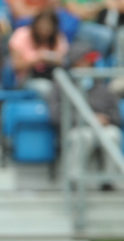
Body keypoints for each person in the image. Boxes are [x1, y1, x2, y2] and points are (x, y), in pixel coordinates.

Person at [48, 42, 122, 187]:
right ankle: (74, 180)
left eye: (90, 60)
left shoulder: (102, 85)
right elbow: (55, 115)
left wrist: (107, 119)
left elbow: (116, 115)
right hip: (75, 128)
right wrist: (88, 120)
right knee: (84, 136)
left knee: (113, 134)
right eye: (84, 59)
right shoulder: (61, 84)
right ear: (75, 62)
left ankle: (109, 181)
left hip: (103, 128)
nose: (89, 63)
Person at [9, 8, 69, 99]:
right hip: (26, 79)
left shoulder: (58, 38)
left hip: (52, 78)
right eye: (42, 25)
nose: (44, 29)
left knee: (66, 86)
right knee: (45, 88)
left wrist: (50, 58)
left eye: (48, 26)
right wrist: (38, 58)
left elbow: (63, 61)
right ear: (36, 23)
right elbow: (16, 65)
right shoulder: (21, 34)